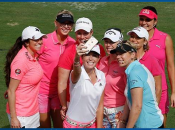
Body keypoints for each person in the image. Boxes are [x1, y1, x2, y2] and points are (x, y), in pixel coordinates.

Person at [58, 17, 106, 120]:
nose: (82, 37)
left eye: (85, 33)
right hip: (74, 101)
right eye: (79, 33)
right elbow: (62, 82)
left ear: (91, 32)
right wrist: (64, 105)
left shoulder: (99, 49)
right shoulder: (68, 52)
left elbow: (100, 75)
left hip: (93, 99)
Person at [111, 40, 164, 128]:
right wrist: (123, 121)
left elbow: (137, 106)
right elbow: (130, 99)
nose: (118, 57)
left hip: (148, 125)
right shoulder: (135, 69)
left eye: (122, 53)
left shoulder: (135, 73)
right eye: (117, 54)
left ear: (132, 54)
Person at [37, 9, 76, 128]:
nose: (65, 26)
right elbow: (29, 62)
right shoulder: (44, 41)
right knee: (45, 125)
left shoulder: (73, 43)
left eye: (68, 23)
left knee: (60, 124)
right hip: (41, 91)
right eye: (62, 23)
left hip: (60, 93)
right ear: (56, 23)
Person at [138, 6, 175, 127]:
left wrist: (173, 92)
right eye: (141, 19)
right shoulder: (135, 38)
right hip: (139, 89)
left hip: (160, 90)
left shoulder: (165, 39)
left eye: (148, 20)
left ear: (155, 21)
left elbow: (170, 66)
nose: (144, 22)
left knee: (160, 122)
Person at [4, 26, 46, 128]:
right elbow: (11, 90)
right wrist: (14, 118)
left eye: (40, 39)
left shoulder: (33, 56)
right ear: (27, 42)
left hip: (32, 111)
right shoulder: (21, 60)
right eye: (35, 39)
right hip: (21, 115)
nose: (40, 42)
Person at [63, 44, 105, 128]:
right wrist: (76, 59)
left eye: (94, 55)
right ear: (82, 57)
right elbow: (77, 71)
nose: (90, 58)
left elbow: (100, 105)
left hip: (91, 125)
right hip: (72, 126)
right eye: (87, 54)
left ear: (98, 58)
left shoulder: (101, 75)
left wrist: (99, 127)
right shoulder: (77, 74)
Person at [98, 28, 126, 128]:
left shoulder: (123, 64)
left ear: (120, 43)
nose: (108, 45)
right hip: (102, 110)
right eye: (106, 42)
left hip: (118, 111)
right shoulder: (102, 61)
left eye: (112, 42)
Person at [127, 26, 162, 104]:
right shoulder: (126, 58)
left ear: (145, 41)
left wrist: (154, 108)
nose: (134, 40)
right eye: (132, 37)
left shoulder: (152, 60)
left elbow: (158, 88)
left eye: (138, 38)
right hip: (129, 104)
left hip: (146, 105)